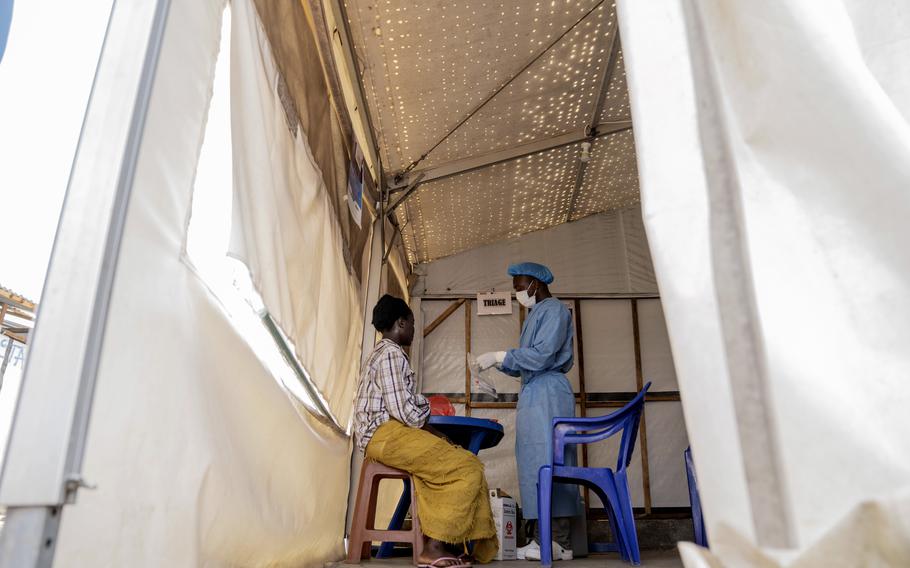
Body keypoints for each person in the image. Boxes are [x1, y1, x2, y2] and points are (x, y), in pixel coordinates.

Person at [353, 294, 498, 568]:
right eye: (412, 323)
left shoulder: (382, 354)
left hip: (388, 435)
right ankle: (433, 546)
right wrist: (425, 403)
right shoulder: (392, 355)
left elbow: (405, 410)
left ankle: (458, 545)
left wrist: (424, 411)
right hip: (384, 436)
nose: (414, 330)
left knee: (455, 460)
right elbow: (406, 412)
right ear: (401, 322)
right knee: (465, 466)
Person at [477, 262, 580, 562]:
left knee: (551, 463)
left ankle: (555, 539)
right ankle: (547, 540)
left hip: (549, 395)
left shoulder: (555, 311)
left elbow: (542, 355)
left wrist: (501, 355)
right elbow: (527, 363)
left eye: (520, 287)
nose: (517, 293)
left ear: (535, 283)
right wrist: (495, 363)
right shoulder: (535, 315)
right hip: (536, 393)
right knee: (537, 464)